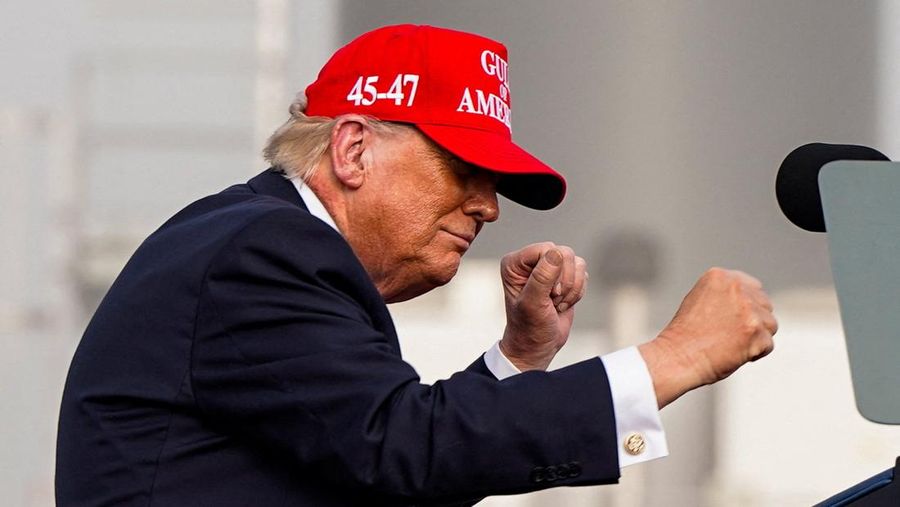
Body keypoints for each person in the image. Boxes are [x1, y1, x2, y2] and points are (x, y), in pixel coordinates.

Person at [55, 24, 777, 506]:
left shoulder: (257, 241)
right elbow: (404, 450)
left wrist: (519, 357)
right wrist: (675, 358)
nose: (489, 208)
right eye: (465, 168)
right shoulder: (267, 251)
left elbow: (388, 463)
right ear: (353, 150)